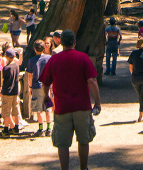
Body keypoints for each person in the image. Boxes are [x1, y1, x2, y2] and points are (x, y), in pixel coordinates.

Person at [40, 30, 102, 170]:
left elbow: (45, 83)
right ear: (74, 42)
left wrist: (46, 97)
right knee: (83, 140)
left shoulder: (54, 60)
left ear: (61, 42)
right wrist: (97, 102)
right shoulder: (83, 58)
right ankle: (83, 168)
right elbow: (92, 81)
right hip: (82, 106)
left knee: (63, 143)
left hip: (62, 107)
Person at [26, 40, 53, 136]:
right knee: (48, 108)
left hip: (36, 86)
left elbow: (30, 75)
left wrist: (30, 86)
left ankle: (41, 129)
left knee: (38, 109)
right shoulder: (48, 58)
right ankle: (49, 128)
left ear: (34, 49)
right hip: (46, 86)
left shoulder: (31, 61)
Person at [0, 48, 22, 136]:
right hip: (15, 92)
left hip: (7, 92)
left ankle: (5, 129)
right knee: (15, 110)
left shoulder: (6, 68)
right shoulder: (16, 66)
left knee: (6, 111)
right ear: (14, 56)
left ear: (6, 57)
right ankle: (16, 127)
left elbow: (3, 79)